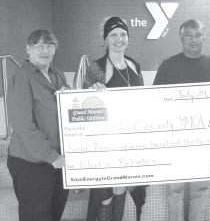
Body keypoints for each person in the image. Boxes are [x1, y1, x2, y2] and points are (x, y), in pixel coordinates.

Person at [153, 19, 210, 221]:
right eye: (188, 35)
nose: (194, 39)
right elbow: (155, 103)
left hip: (204, 140)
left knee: (200, 190)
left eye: (198, 34)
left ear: (204, 36)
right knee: (175, 192)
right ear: (180, 37)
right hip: (175, 140)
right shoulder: (168, 66)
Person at [83, 16, 146, 221]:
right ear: (106, 40)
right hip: (105, 141)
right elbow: (83, 105)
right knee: (105, 192)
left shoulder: (135, 64)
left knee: (121, 187)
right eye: (113, 35)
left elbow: (144, 100)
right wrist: (93, 92)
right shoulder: (97, 67)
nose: (119, 38)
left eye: (123, 34)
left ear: (128, 38)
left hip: (129, 138)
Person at [6, 29, 70, 221]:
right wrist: (51, 156)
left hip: (57, 161)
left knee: (54, 214)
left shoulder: (57, 74)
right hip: (32, 165)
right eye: (39, 45)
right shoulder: (21, 77)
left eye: (49, 45)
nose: (45, 50)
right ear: (28, 49)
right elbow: (22, 125)